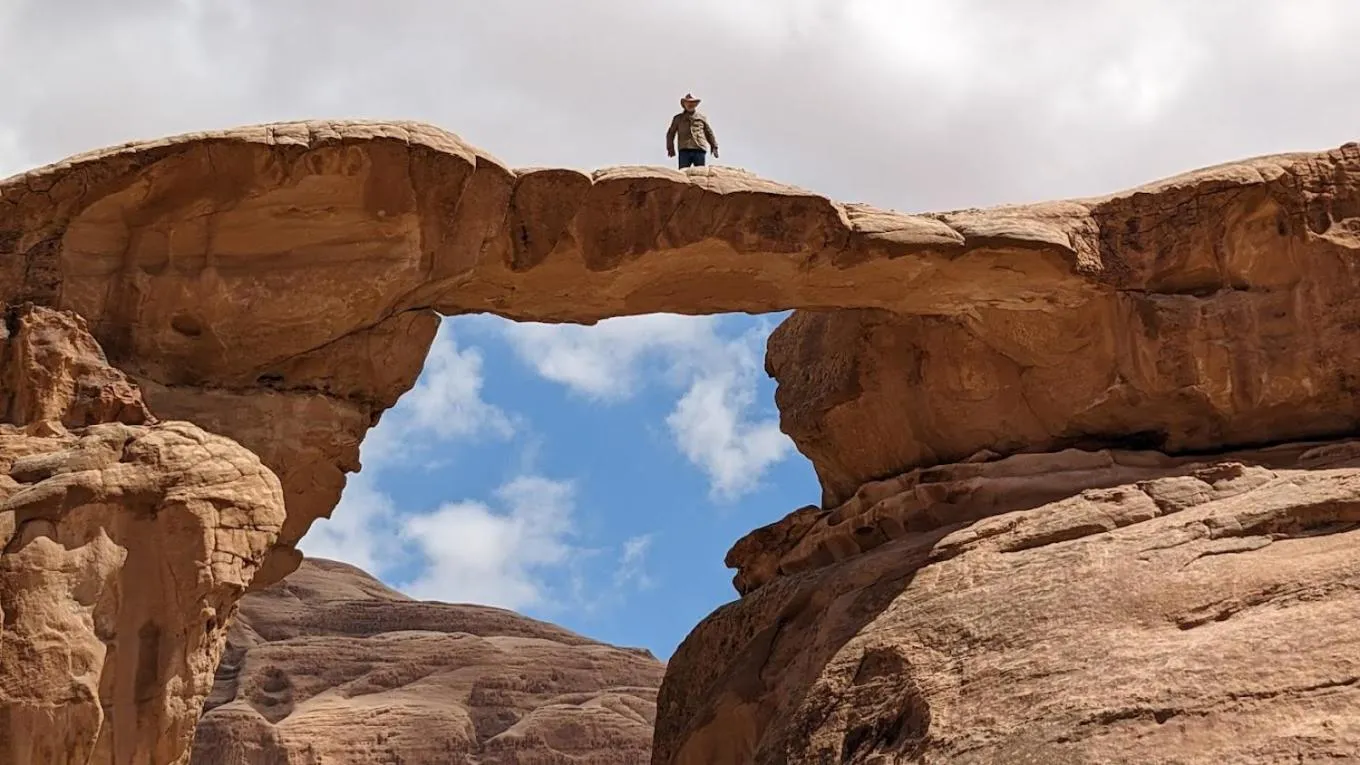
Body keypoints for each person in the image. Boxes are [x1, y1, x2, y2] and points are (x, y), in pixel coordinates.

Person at [666, 93, 719, 169]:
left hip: (699, 148)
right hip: (684, 149)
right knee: (683, 173)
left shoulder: (701, 117)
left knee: (700, 174)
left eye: (693, 103)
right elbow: (671, 133)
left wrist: (714, 146)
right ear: (684, 104)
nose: (690, 104)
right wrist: (670, 148)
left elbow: (708, 132)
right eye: (688, 103)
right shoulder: (678, 118)